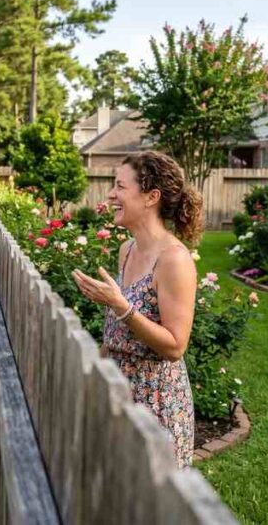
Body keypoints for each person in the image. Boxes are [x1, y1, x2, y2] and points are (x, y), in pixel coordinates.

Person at [70, 151, 202, 468]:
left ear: (150, 197)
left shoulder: (174, 259)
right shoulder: (126, 250)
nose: (111, 195)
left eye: (120, 186)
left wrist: (120, 305)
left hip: (156, 405)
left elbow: (175, 345)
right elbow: (117, 335)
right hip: (118, 397)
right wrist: (89, 371)